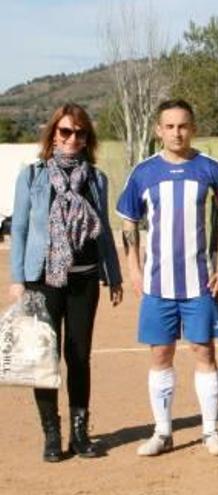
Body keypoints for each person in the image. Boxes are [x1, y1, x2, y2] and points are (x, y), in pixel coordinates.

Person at [9, 103, 123, 462]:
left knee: (78, 357)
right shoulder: (33, 176)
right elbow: (21, 229)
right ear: (53, 134)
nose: (72, 139)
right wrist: (18, 279)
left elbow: (103, 229)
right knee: (45, 358)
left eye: (80, 132)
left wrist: (113, 273)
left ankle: (79, 433)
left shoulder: (96, 179)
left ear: (88, 138)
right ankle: (51, 434)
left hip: (84, 280)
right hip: (42, 280)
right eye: (65, 132)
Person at [116, 99, 218, 457]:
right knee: (161, 354)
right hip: (157, 284)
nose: (176, 132)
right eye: (169, 126)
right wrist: (134, 268)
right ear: (158, 130)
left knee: (203, 352)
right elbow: (128, 222)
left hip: (200, 281)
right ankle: (163, 432)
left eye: (183, 126)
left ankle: (210, 431)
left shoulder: (212, 169)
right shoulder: (143, 173)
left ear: (192, 127)